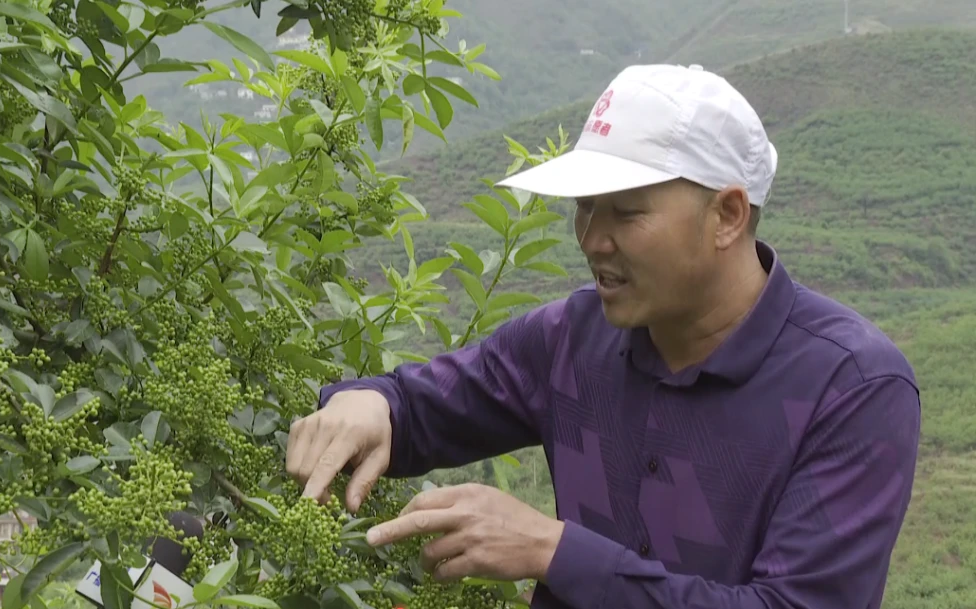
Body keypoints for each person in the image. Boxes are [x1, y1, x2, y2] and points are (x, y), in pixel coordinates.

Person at [285, 63, 922, 608]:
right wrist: (371, 404)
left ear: (727, 215)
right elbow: (424, 407)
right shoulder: (573, 337)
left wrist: (552, 551)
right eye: (585, 207)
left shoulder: (851, 387)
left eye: (626, 211)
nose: (591, 239)